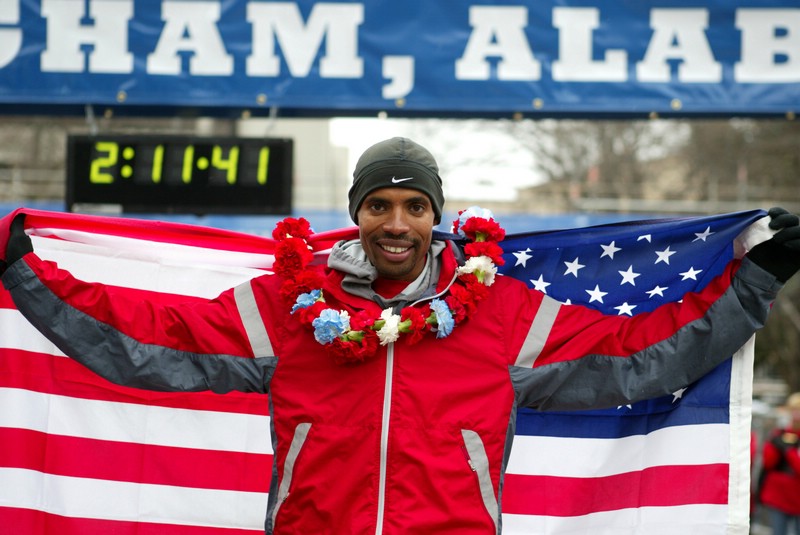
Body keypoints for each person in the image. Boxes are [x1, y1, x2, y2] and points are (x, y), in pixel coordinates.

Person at [2, 136, 800, 534]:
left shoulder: (500, 313)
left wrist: (756, 278)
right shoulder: (289, 308)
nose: (396, 222)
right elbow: (149, 340)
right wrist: (28, 278)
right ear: (357, 214)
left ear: (435, 217)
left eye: (413, 206)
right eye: (379, 204)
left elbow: (636, 358)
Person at [758, 392, 800, 535]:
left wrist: (789, 451)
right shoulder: (780, 433)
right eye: (794, 410)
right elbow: (768, 463)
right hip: (778, 495)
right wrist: (776, 445)